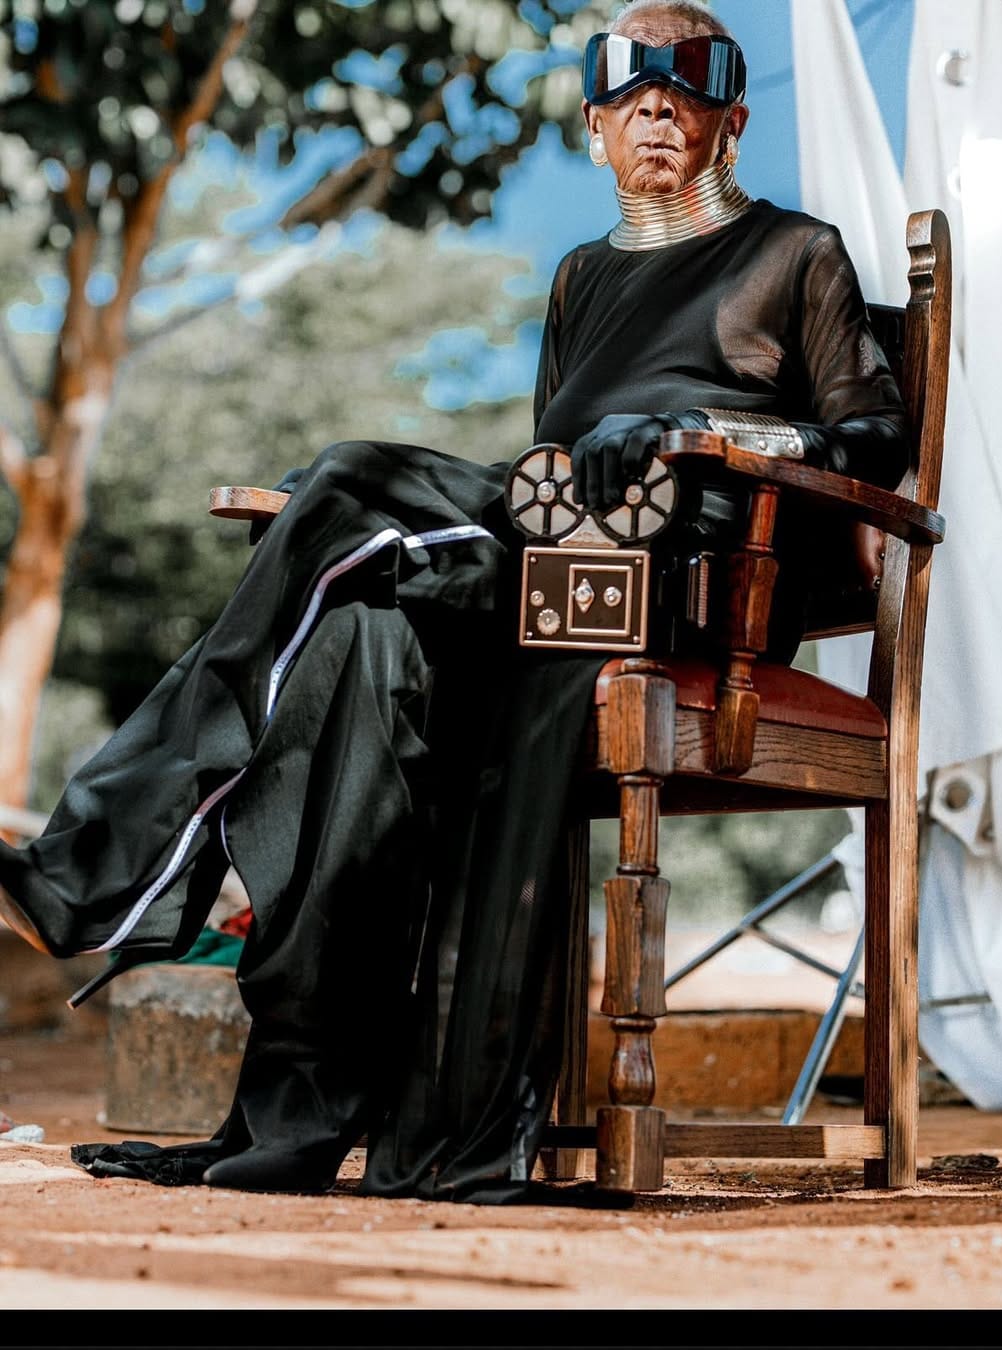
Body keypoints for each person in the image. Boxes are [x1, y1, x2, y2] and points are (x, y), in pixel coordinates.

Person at [0, 0, 906, 1203]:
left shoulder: (796, 252)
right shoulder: (583, 277)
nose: (655, 105)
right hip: (551, 560)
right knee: (355, 642)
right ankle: (302, 1119)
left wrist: (696, 428)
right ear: (593, 126)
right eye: (627, 85)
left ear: (730, 120)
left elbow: (874, 438)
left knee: (347, 482)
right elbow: (541, 467)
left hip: (684, 581)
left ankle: (97, 865)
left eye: (687, 82)